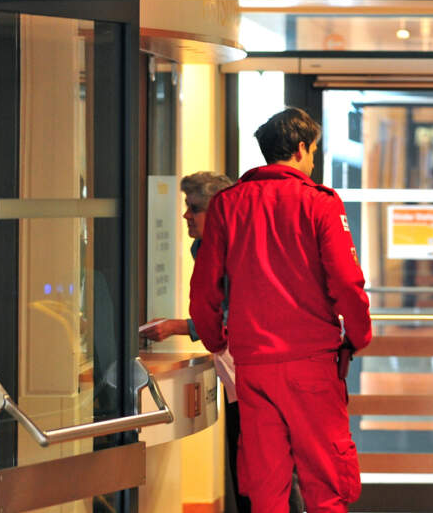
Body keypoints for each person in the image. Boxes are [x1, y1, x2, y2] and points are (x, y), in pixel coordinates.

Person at [189, 107, 372, 513]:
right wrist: (358, 335)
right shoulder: (320, 202)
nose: (313, 161)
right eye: (313, 152)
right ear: (302, 148)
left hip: (253, 365)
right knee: (326, 483)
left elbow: (204, 287)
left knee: (265, 486)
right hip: (311, 363)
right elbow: (346, 281)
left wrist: (217, 340)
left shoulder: (227, 205)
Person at [141, 171, 306, 513]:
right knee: (245, 469)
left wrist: (178, 327)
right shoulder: (203, 247)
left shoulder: (246, 248)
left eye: (194, 208)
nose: (186, 215)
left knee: (269, 473)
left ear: (220, 211)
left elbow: (236, 314)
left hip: (262, 373)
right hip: (235, 375)